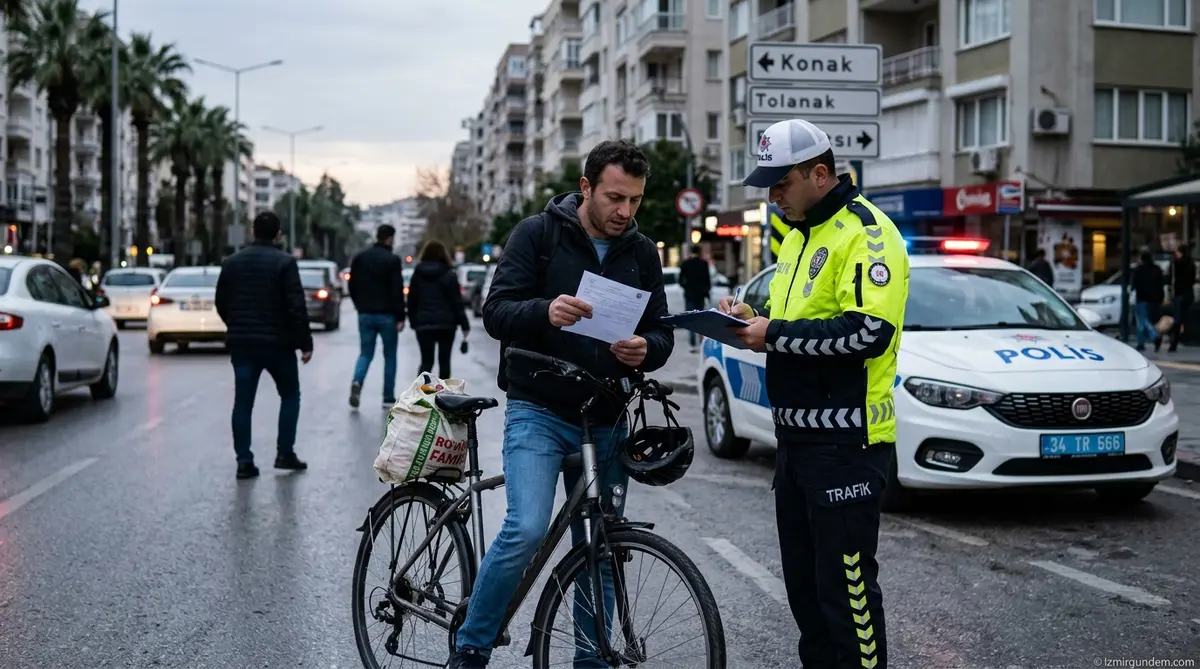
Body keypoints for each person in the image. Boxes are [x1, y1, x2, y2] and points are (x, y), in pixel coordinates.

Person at [449, 139, 674, 669]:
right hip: (540, 410)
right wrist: (545, 311)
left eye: (635, 201)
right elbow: (496, 311)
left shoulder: (641, 251)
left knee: (601, 547)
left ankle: (589, 663)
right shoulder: (537, 234)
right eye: (616, 198)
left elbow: (661, 331)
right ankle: (472, 644)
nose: (625, 212)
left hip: (608, 416)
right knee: (527, 527)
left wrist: (648, 350)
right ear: (586, 188)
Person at [720, 118, 909, 669]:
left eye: (781, 183)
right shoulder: (801, 235)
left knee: (847, 600)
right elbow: (805, 319)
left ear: (819, 173)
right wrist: (755, 319)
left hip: (847, 446)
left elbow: (869, 333)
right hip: (798, 443)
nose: (773, 195)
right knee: (806, 596)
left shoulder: (867, 233)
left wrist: (772, 335)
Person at [214, 212, 313, 480]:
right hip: (278, 345)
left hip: (243, 344)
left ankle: (244, 462)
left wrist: (235, 324)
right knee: (290, 395)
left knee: (243, 403)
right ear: (277, 234)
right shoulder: (285, 263)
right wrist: (305, 343)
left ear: (252, 231)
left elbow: (221, 301)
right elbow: (296, 306)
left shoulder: (231, 263)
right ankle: (284, 453)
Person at [347, 224, 407, 408]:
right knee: (390, 356)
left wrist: (359, 305)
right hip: (387, 315)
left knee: (365, 353)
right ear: (389, 238)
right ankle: (388, 396)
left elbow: (352, 285)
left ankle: (357, 381)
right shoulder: (392, 260)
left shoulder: (360, 258)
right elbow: (396, 289)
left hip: (365, 313)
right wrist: (400, 316)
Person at [406, 239, 470, 378]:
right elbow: (456, 302)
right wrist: (464, 324)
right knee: (444, 362)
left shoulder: (418, 274)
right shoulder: (449, 274)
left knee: (426, 361)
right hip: (446, 323)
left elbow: (412, 300)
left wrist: (413, 321)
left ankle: (420, 394)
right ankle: (444, 397)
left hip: (423, 324)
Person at [678, 246, 712, 351]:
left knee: (690, 318)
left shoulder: (685, 264)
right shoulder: (703, 264)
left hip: (689, 294)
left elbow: (680, 279)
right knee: (700, 318)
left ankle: (692, 344)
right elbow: (708, 280)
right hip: (700, 295)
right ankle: (701, 342)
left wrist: (686, 286)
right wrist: (706, 292)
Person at [1131, 251, 1165, 352]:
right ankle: (1149, 339)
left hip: (1142, 298)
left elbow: (1134, 284)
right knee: (1147, 320)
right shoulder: (1157, 269)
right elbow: (1160, 284)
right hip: (1154, 299)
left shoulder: (1139, 270)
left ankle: (1150, 338)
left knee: (1142, 321)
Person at [1168, 244, 1196, 352]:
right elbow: (1193, 279)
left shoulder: (1176, 263)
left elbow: (1172, 278)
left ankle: (1174, 343)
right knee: (1185, 317)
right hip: (1189, 293)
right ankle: (1185, 337)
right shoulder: (1191, 263)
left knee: (1177, 319)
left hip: (1179, 293)